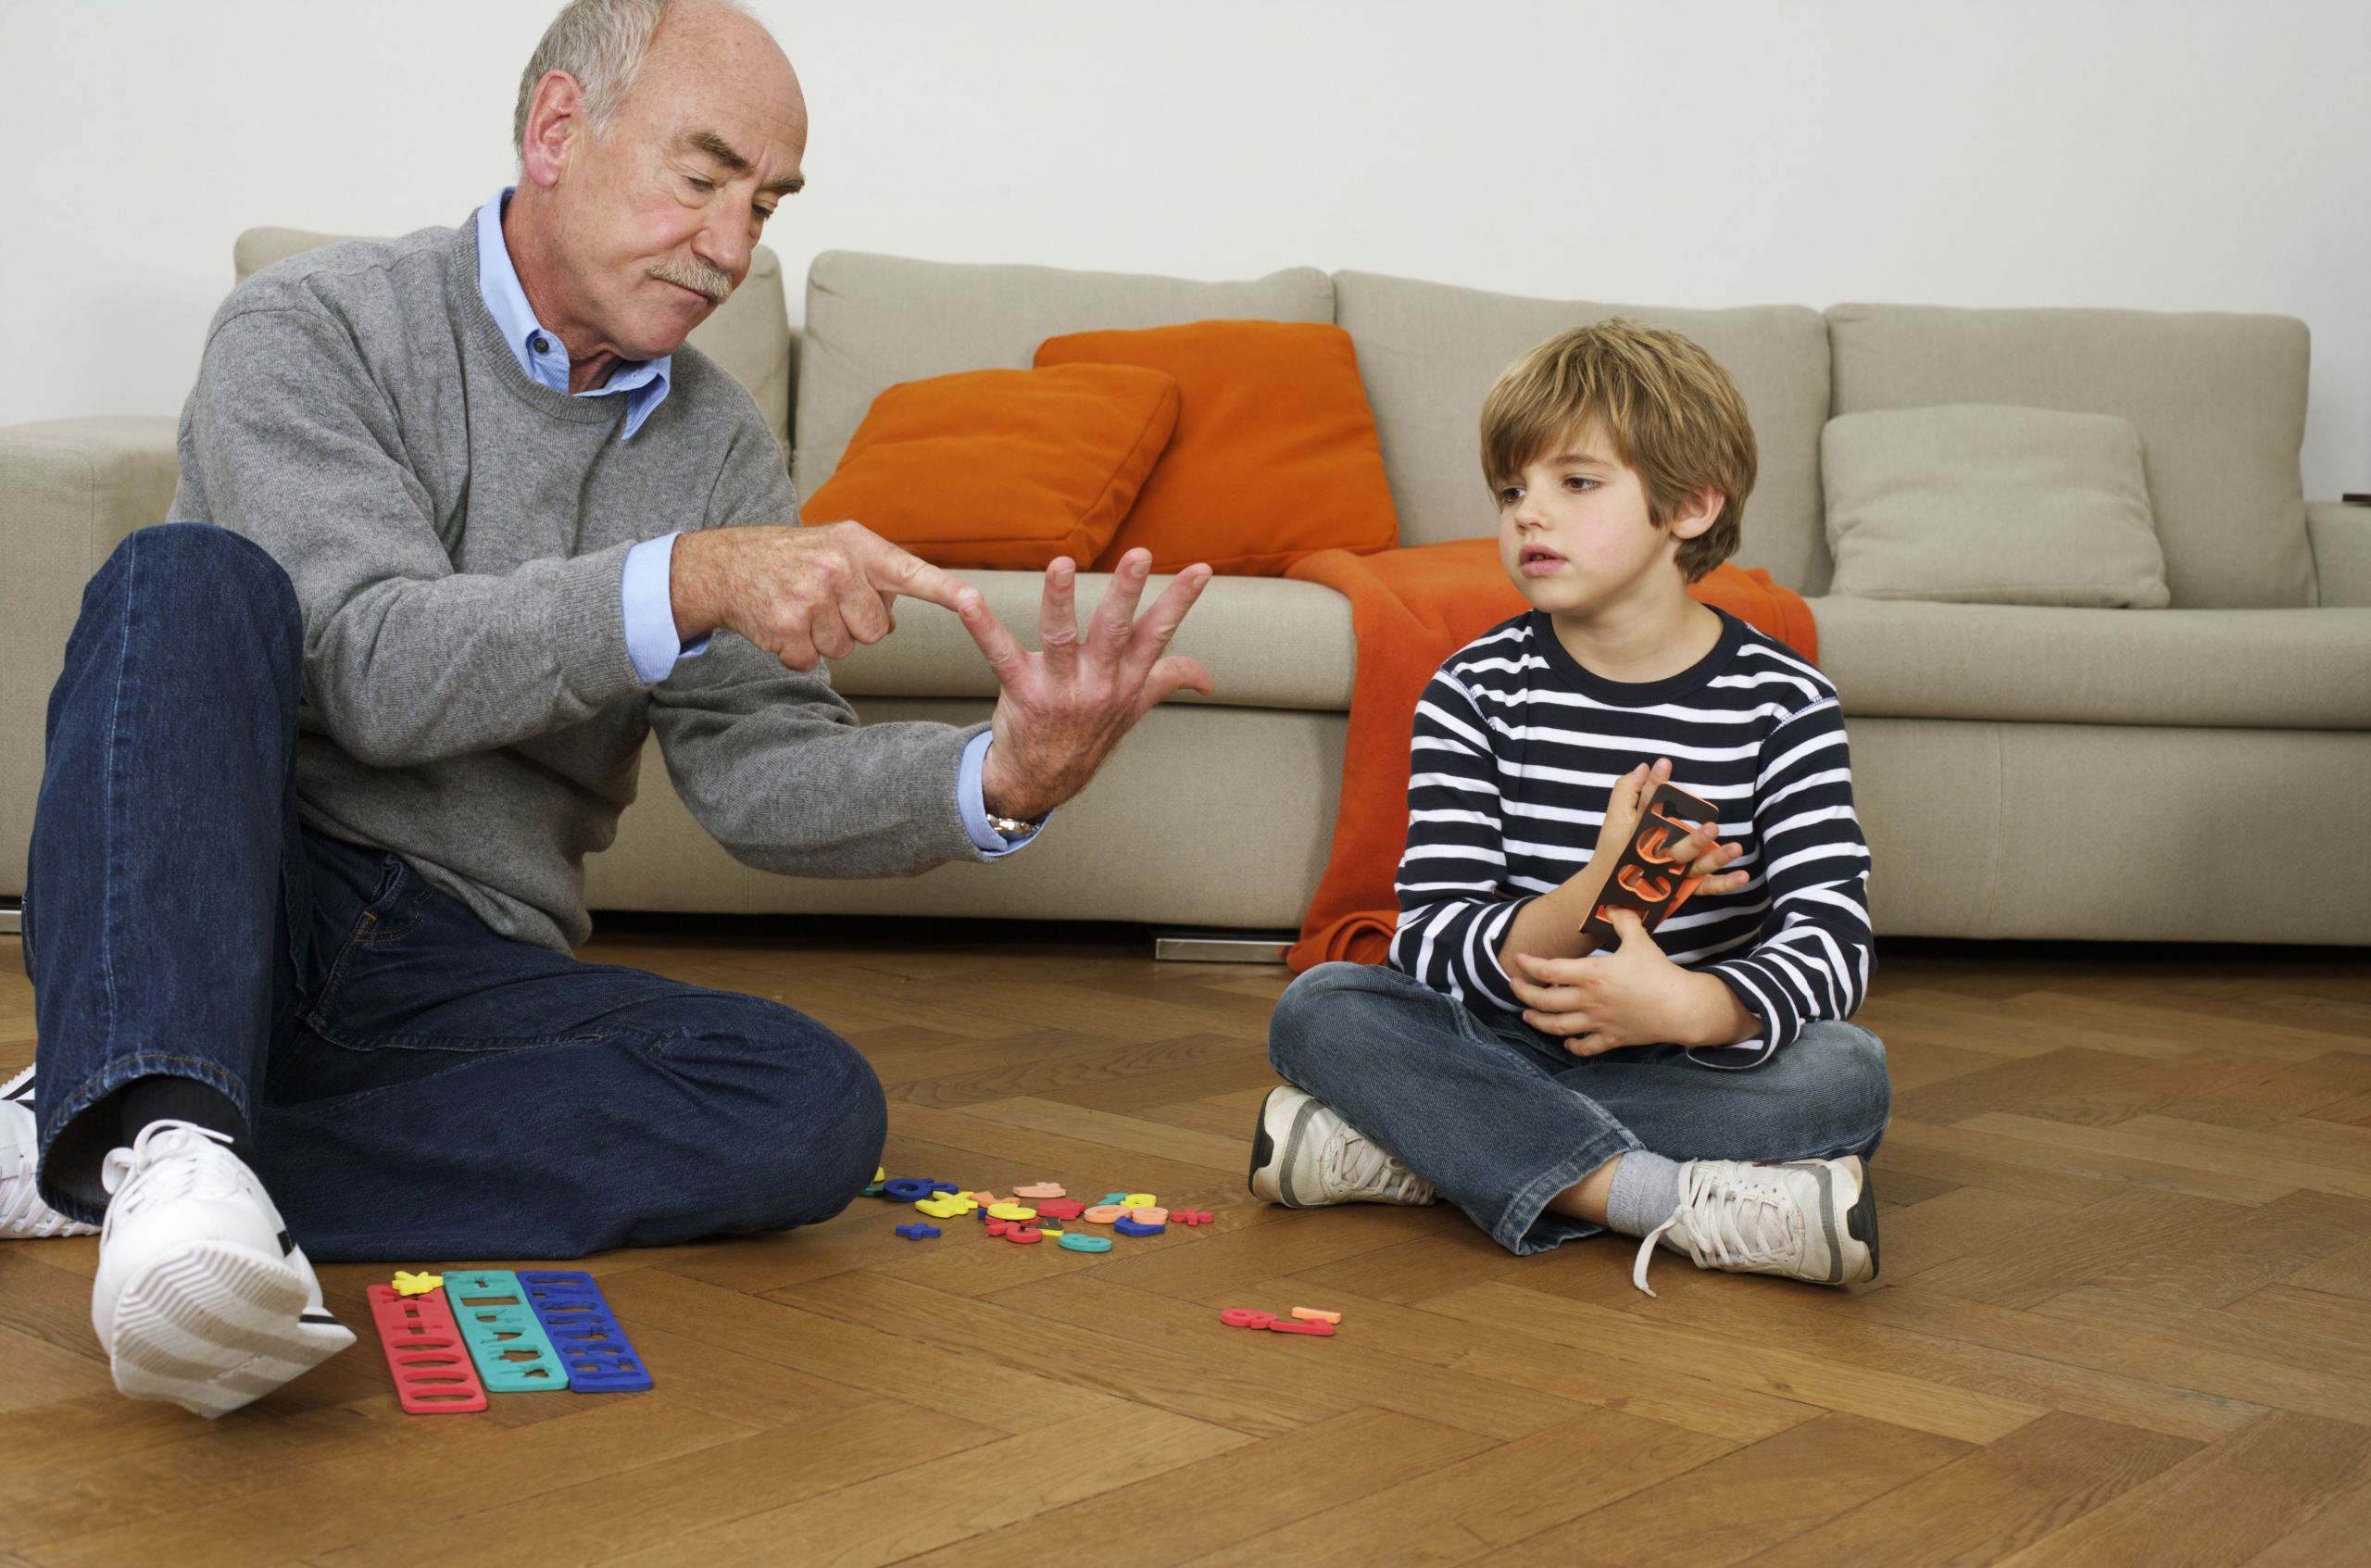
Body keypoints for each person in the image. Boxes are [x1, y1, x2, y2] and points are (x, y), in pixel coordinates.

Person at [0, 0, 1211, 1418]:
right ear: (557, 130)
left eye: (765, 204)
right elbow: (373, 669)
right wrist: (684, 578)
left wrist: (1003, 773)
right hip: (238, 886)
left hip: (457, 963)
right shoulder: (312, 326)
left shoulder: (718, 445)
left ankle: (134, 1126)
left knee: (807, 1107)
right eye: (702, 181)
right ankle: (164, 1110)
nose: (734, 248)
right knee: (179, 577)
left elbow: (760, 774)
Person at [1251, 320, 1888, 1296]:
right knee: (1321, 1011)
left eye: (1575, 483)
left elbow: (1831, 940)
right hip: (1499, 1033)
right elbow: (1430, 942)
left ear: (1689, 505)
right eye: (1511, 490)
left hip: (1680, 1054)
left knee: (1846, 1074)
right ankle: (1655, 1200)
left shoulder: (1783, 701)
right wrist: (1593, 889)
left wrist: (1695, 1004)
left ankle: (1413, 1152)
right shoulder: (1472, 689)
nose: (1527, 516)